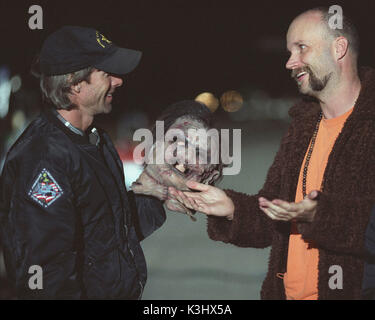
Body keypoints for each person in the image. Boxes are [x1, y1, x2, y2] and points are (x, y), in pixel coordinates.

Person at [169, 7, 375, 299]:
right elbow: (274, 219)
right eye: (289, 52)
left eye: (301, 48)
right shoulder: (303, 125)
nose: (291, 62)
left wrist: (322, 216)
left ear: (338, 48)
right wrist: (230, 208)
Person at [0, 26, 166, 299]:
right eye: (106, 73)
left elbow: (110, 229)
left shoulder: (94, 140)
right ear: (74, 83)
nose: (119, 81)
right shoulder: (43, 159)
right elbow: (46, 276)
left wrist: (163, 191)